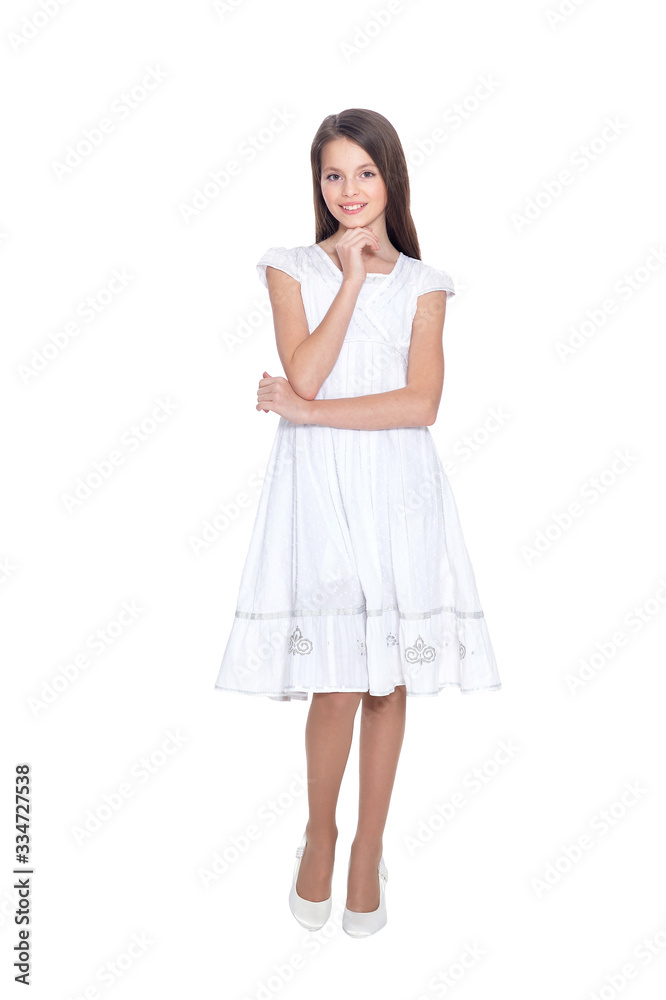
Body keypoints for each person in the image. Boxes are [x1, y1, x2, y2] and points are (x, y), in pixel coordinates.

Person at [214, 108, 501, 937]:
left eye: (364, 174)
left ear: (390, 179)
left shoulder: (426, 284)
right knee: (338, 677)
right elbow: (305, 368)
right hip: (319, 495)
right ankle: (322, 831)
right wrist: (345, 280)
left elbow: (423, 404)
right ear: (318, 184)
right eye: (333, 175)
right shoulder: (289, 268)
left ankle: (370, 840)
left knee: (387, 678)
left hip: (398, 491)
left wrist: (309, 413)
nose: (348, 191)